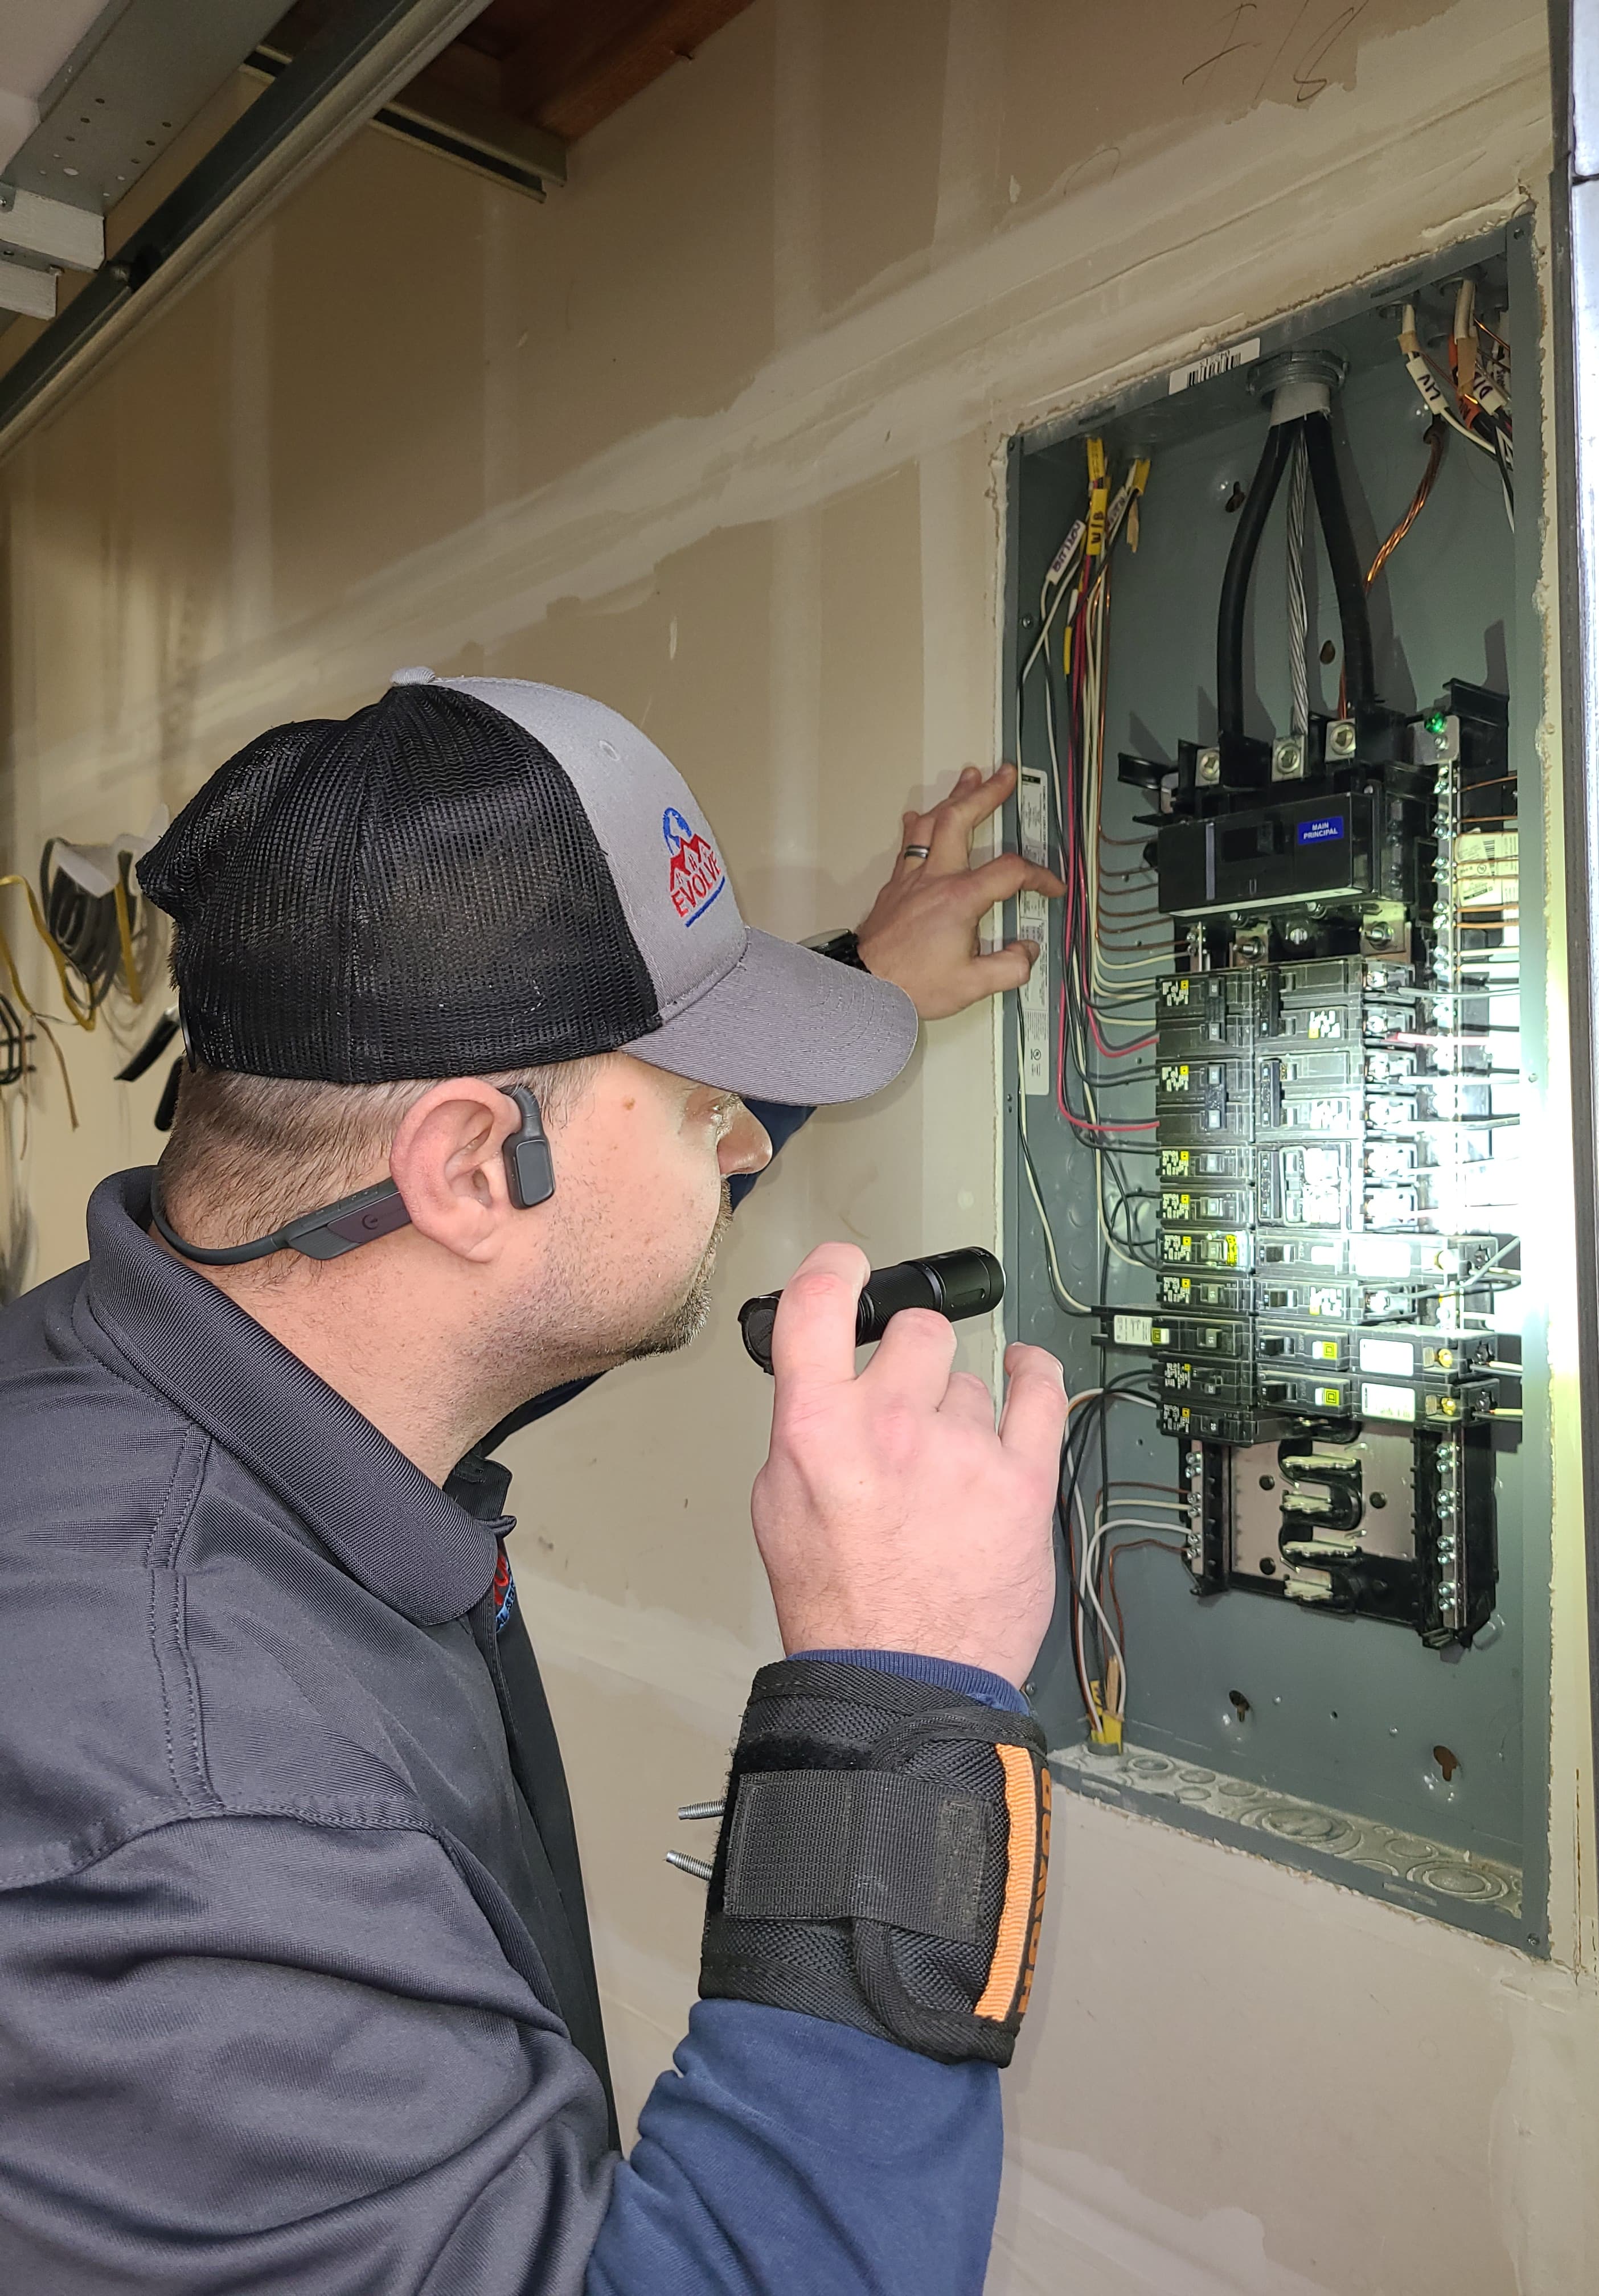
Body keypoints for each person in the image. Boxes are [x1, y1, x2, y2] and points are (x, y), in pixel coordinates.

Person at [0, 668, 1069, 2295]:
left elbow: (516, 1271)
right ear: (469, 1165)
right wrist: (899, 1690)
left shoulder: (136, 1368)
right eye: (706, 1104)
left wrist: (849, 990)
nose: (744, 1147)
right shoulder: (207, 1814)